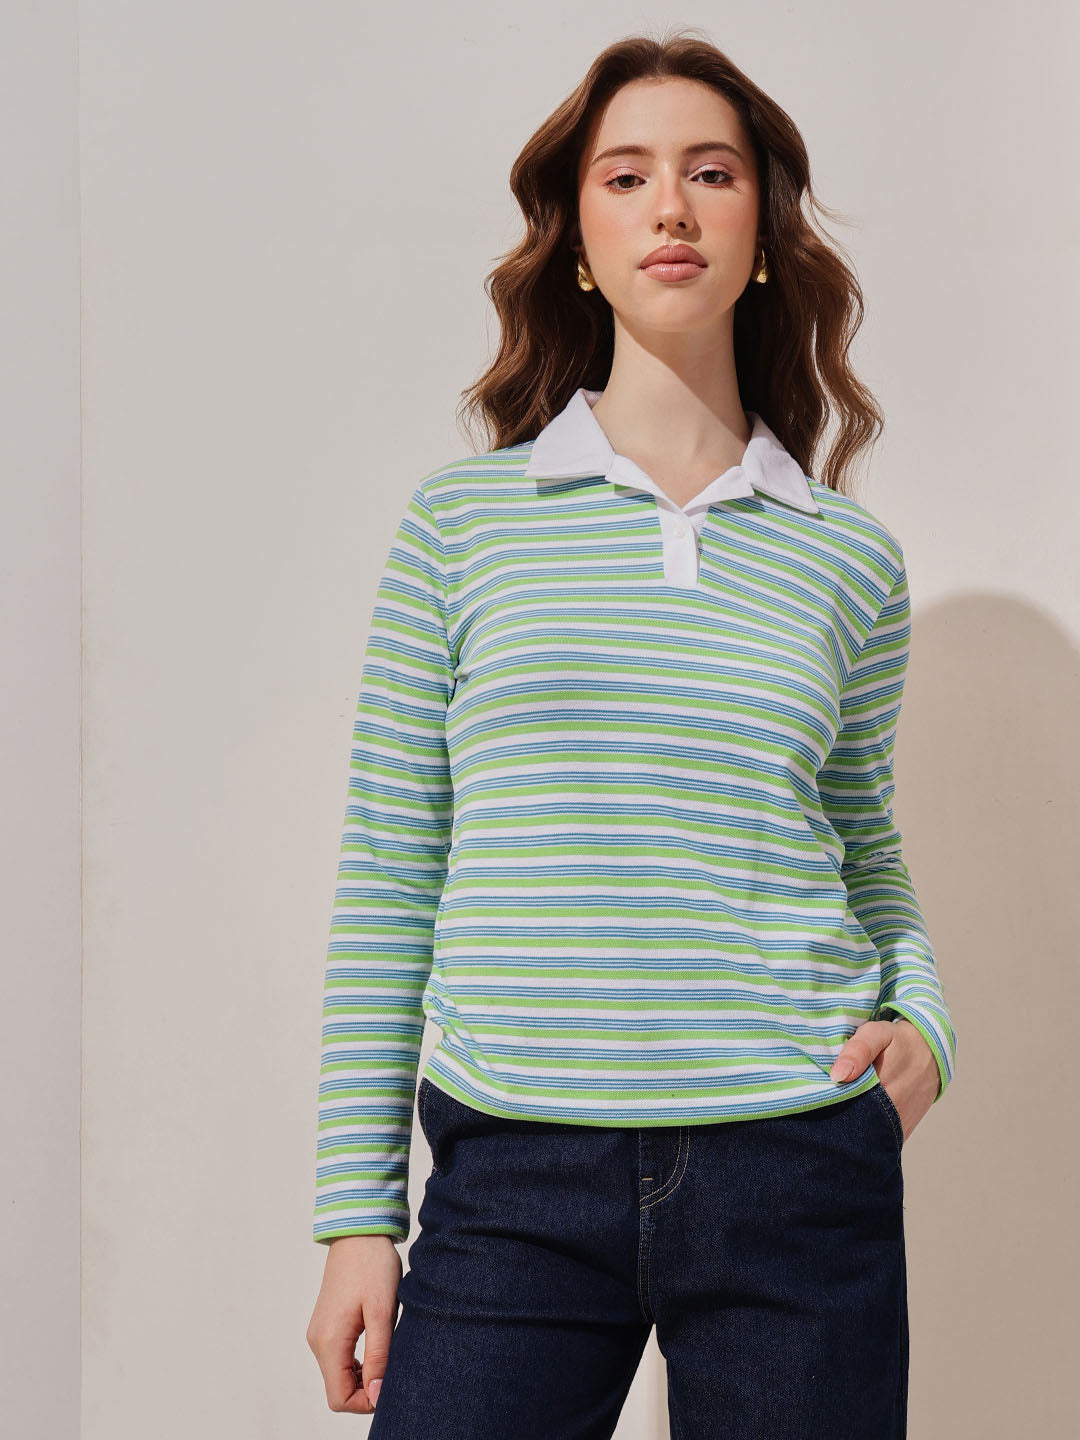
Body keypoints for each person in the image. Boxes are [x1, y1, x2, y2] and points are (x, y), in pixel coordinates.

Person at [306, 28, 957, 1439]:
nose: (672, 205)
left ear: (764, 235)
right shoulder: (463, 526)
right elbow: (391, 871)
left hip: (798, 1162)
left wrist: (925, 1022)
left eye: (712, 174)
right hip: (515, 1175)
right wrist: (358, 1216)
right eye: (627, 175)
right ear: (581, 240)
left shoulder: (848, 558)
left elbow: (859, 838)